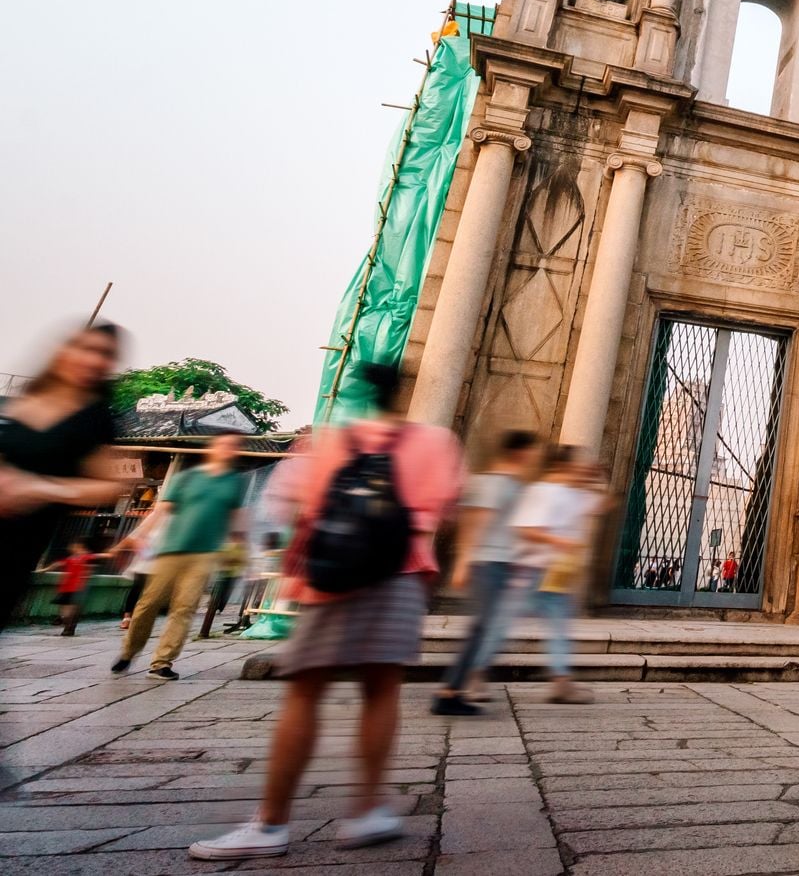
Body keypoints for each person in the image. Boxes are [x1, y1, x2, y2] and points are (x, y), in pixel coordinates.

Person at [188, 362, 463, 860]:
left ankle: (271, 822)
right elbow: (446, 507)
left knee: (305, 694)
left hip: (335, 578)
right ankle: (368, 809)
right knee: (381, 692)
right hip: (401, 575)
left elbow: (289, 507)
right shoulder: (436, 442)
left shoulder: (332, 443)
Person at [0, 322, 130, 628]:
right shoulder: (21, 401)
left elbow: (110, 487)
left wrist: (41, 488)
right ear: (62, 351)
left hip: (16, 544)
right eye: (88, 349)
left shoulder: (94, 418)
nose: (95, 360)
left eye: (106, 355)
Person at [111, 432, 248, 679]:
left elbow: (236, 516)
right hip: (171, 549)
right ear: (212, 448)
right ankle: (129, 651)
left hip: (205, 553)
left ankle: (162, 662)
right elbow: (160, 511)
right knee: (148, 603)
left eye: (234, 446)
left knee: (184, 607)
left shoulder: (234, 482)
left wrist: (240, 546)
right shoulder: (186, 478)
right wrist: (134, 537)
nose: (229, 449)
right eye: (224, 444)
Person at [431, 429, 543, 716]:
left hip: (503, 564)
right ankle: (451, 691)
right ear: (520, 452)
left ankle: (456, 687)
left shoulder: (514, 485)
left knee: (487, 628)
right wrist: (463, 562)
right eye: (533, 451)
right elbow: (475, 523)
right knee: (483, 628)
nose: (536, 457)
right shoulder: (495, 483)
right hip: (488, 563)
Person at [509, 446, 604, 705]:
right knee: (501, 625)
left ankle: (561, 682)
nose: (584, 468)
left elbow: (600, 504)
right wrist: (561, 542)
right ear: (565, 465)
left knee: (557, 625)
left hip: (555, 572)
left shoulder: (574, 493)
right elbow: (526, 529)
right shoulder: (543, 491)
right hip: (534, 570)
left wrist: (596, 480)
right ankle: (468, 675)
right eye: (581, 463)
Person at [44, 539, 97, 636]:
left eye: (74, 546)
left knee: (71, 609)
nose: (71, 548)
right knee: (67, 609)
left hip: (77, 587)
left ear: (80, 547)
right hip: (67, 587)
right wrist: (45, 569)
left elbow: (90, 567)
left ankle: (68, 628)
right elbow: (58, 564)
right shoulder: (72, 558)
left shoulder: (86, 557)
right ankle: (66, 625)